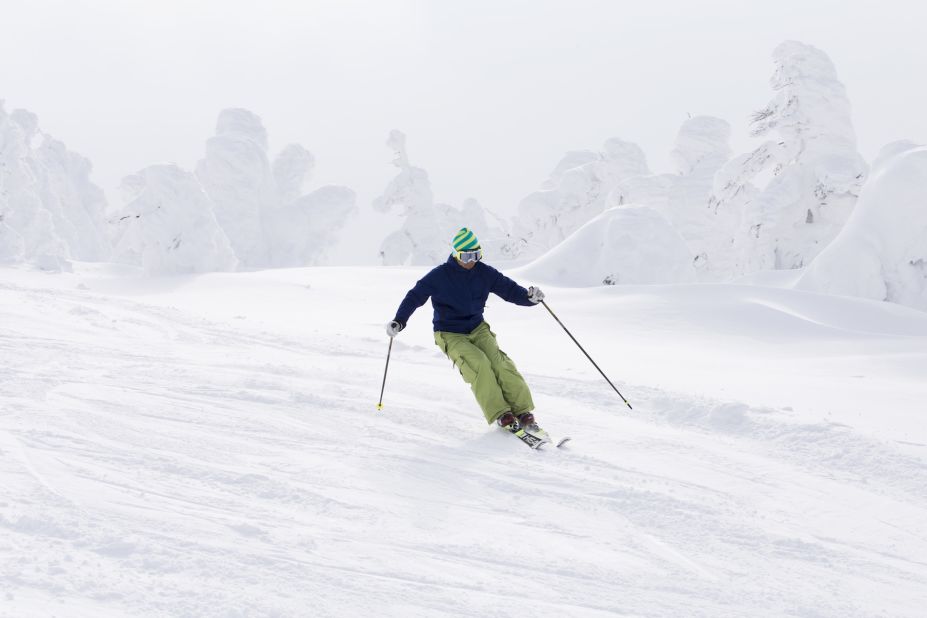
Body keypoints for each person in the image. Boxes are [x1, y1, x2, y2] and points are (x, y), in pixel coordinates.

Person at [386, 227, 545, 429]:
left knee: (499, 362)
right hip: (450, 333)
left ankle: (522, 410)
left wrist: (529, 298)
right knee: (479, 364)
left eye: (476, 255)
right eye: (467, 255)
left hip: (477, 328)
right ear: (456, 254)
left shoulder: (484, 273)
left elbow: (509, 290)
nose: (472, 260)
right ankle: (501, 413)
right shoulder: (440, 276)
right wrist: (399, 320)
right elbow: (415, 296)